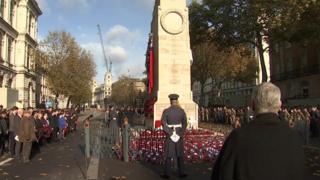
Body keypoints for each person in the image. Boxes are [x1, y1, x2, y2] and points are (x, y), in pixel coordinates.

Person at [211, 82, 306, 180]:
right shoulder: (293, 137)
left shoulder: (238, 138)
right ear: (279, 105)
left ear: (252, 104)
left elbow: (222, 174)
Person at [160, 94, 187, 179]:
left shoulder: (166, 111)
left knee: (168, 154)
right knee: (179, 153)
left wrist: (170, 133)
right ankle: (181, 172)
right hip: (178, 132)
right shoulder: (181, 111)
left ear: (170, 101)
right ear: (176, 101)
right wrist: (180, 133)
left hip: (170, 133)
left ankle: (167, 173)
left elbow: (163, 123)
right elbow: (185, 123)